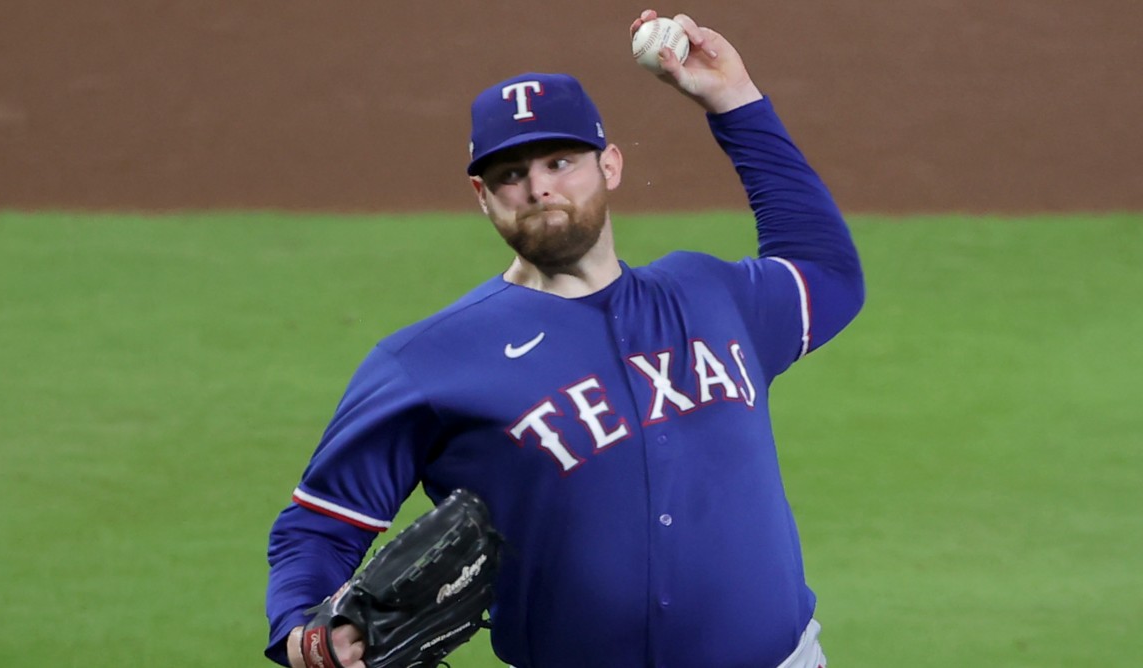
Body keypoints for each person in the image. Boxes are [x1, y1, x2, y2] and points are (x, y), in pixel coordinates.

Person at [265, 8, 864, 668]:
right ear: (482, 196)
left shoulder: (711, 296)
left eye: (559, 160)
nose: (540, 187)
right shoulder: (427, 363)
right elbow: (322, 523)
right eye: (510, 175)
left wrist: (734, 100)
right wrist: (305, 634)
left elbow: (828, 273)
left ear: (609, 166)